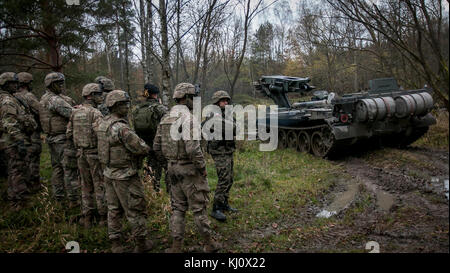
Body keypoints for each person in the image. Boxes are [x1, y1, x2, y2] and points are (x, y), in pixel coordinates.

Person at [153, 82, 221, 253]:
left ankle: (176, 247)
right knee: (199, 208)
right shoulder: (189, 118)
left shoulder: (165, 118)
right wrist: (202, 167)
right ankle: (209, 244)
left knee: (178, 208)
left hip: (173, 169)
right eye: (193, 98)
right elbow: (192, 148)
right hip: (190, 170)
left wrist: (169, 163)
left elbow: (156, 146)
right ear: (187, 98)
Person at [97, 89, 153, 253]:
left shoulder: (103, 123)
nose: (128, 107)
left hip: (108, 172)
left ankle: (116, 244)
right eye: (125, 104)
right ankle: (141, 244)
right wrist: (147, 147)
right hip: (125, 175)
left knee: (113, 209)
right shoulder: (121, 128)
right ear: (116, 106)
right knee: (135, 210)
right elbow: (140, 147)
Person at [67, 83, 106, 228]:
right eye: (98, 94)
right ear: (91, 96)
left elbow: (69, 133)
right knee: (99, 184)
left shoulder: (74, 112)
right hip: (94, 154)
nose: (101, 96)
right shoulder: (95, 113)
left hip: (80, 153)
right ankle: (103, 218)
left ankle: (88, 217)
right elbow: (101, 134)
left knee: (85, 185)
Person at [39, 72, 80, 207]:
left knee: (57, 168)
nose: (61, 86)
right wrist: (80, 110)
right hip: (62, 139)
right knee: (69, 168)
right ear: (51, 85)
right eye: (59, 83)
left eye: (62, 83)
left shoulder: (44, 98)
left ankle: (59, 198)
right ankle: (73, 200)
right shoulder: (54, 100)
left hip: (52, 139)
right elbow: (71, 113)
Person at [0, 72, 37, 210]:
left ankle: (17, 198)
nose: (16, 85)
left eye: (16, 83)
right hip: (13, 142)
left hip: (13, 141)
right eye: (13, 83)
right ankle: (19, 203)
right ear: (5, 84)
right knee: (17, 171)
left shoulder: (11, 98)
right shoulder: (7, 101)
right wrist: (20, 141)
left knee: (16, 170)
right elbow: (9, 123)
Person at [130, 83, 168, 192]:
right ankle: (155, 192)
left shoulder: (137, 108)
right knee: (158, 168)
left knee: (147, 167)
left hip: (141, 142)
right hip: (156, 143)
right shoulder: (159, 108)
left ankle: (147, 189)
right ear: (156, 94)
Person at [206, 90, 237, 222]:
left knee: (230, 179)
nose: (226, 102)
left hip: (228, 149)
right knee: (224, 178)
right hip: (219, 151)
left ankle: (224, 203)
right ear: (217, 102)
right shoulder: (212, 114)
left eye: (227, 100)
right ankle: (216, 208)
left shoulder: (227, 114)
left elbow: (237, 128)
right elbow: (230, 128)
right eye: (223, 100)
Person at [14, 72, 42, 193]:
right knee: (33, 157)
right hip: (31, 133)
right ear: (27, 83)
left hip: (17, 133)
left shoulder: (13, 96)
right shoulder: (29, 96)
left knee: (21, 160)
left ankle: (23, 184)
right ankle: (34, 184)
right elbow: (40, 110)